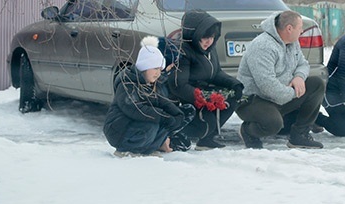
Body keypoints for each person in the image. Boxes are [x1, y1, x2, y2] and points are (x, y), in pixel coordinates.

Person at [236, 10, 326, 150]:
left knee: (316, 84)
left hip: (282, 94)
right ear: (289, 28)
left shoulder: (292, 42)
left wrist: (299, 77)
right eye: (300, 27)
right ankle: (248, 131)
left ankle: (299, 136)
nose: (302, 31)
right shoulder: (263, 46)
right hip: (253, 100)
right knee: (274, 124)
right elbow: (267, 85)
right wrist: (294, 93)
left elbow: (303, 64)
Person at [169, 9, 245, 150]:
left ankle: (207, 139)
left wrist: (234, 84)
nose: (209, 41)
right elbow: (178, 85)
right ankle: (175, 134)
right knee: (205, 124)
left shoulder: (209, 49)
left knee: (233, 97)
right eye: (204, 37)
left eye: (212, 37)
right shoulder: (182, 51)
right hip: (185, 99)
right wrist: (202, 97)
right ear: (194, 34)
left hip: (204, 92)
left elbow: (215, 73)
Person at [103, 36, 188, 156]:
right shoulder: (128, 83)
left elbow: (162, 101)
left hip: (136, 126)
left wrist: (177, 114)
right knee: (152, 123)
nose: (158, 73)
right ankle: (126, 149)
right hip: (119, 130)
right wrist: (164, 117)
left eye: (160, 69)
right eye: (154, 68)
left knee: (165, 123)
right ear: (144, 67)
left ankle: (147, 149)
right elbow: (135, 109)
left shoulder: (152, 84)